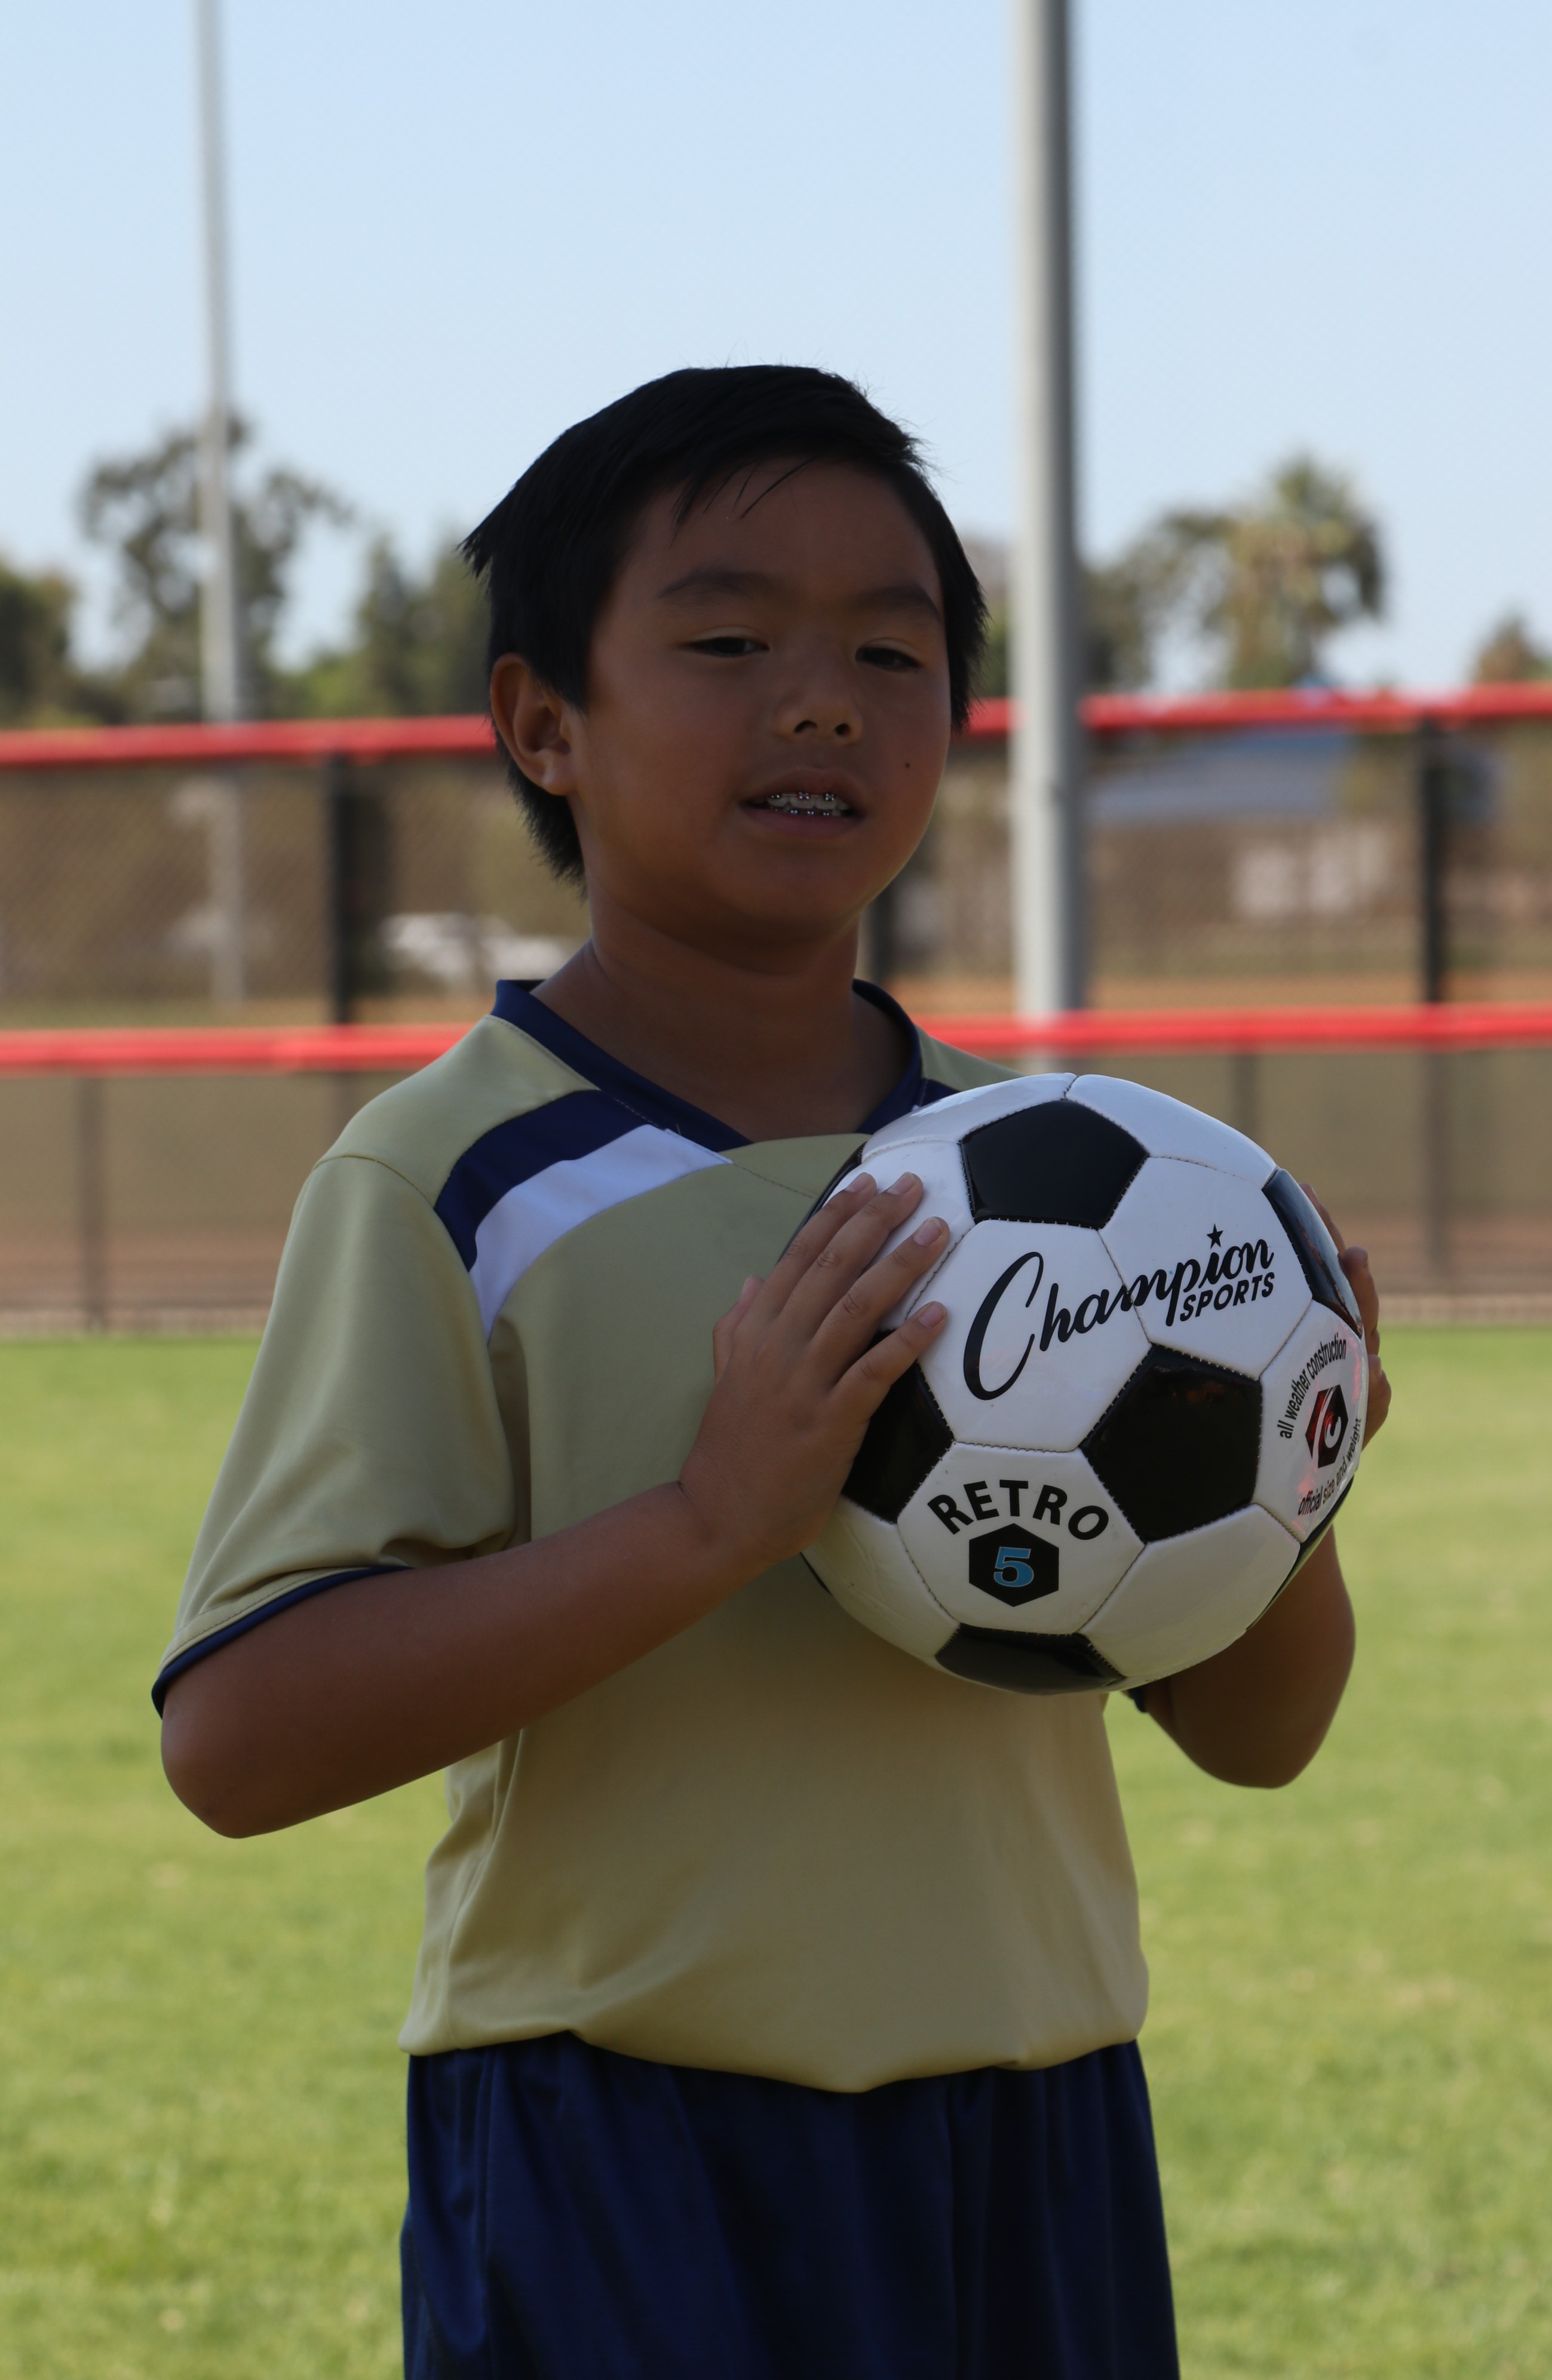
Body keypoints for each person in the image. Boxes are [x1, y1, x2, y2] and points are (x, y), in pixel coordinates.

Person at [157, 365, 1391, 2379]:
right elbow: (239, 1738)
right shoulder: (448, 1178)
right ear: (542, 721)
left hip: (1037, 2122)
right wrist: (707, 1524)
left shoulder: (1088, 1183)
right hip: (619, 2141)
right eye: (730, 643)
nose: (822, 703)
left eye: (891, 654)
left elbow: (1262, 1737)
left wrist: (1293, 1479)